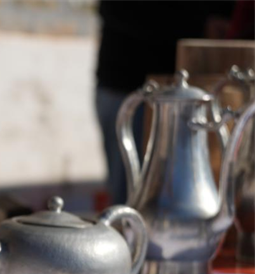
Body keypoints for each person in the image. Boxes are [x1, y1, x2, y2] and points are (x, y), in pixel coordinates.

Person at [95, 0, 235, 205]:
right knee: (130, 198)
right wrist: (199, 23)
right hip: (128, 83)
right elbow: (117, 9)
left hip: (196, 86)